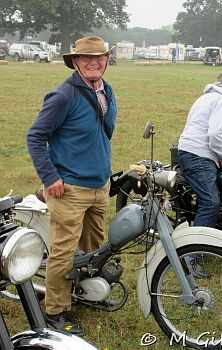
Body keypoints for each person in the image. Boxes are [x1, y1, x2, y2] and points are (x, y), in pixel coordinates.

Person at [27, 36, 117, 334]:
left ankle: (88, 293)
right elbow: (35, 137)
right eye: (87, 58)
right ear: (75, 62)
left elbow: (106, 132)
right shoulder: (64, 95)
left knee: (94, 248)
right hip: (69, 189)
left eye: (100, 58)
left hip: (99, 186)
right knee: (64, 252)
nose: (94, 63)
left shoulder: (107, 91)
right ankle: (55, 310)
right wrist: (50, 177)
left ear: (106, 60)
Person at [178, 72, 222, 276]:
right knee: (210, 202)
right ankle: (191, 257)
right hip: (199, 155)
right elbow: (215, 135)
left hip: (190, 152)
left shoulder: (206, 97)